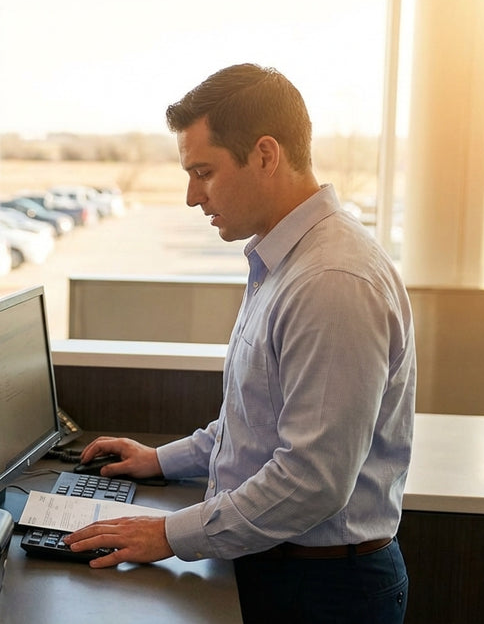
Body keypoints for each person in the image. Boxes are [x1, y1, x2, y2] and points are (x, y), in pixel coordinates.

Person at [64, 64, 415, 624]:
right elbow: (255, 425)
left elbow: (312, 480)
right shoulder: (282, 262)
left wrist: (167, 534)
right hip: (278, 565)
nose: (190, 196)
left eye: (203, 171)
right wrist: (161, 460)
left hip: (322, 588)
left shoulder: (331, 281)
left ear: (266, 155)